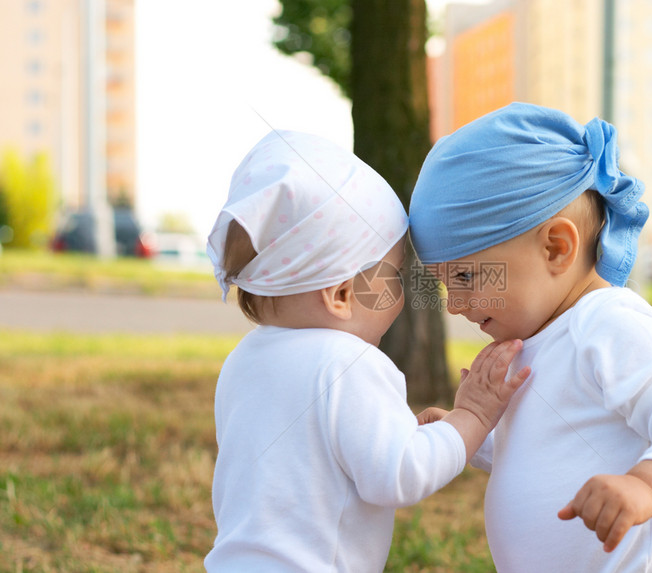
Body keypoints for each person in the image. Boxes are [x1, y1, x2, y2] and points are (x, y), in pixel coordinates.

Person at [409, 103, 652, 572]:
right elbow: (547, 443)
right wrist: (471, 430)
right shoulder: (533, 340)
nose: (454, 304)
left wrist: (647, 485)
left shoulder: (607, 323)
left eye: (465, 275)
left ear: (556, 248)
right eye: (443, 283)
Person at [203, 129, 530, 572]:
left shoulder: (243, 360)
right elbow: (400, 474)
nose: (400, 293)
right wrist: (472, 416)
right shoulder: (349, 363)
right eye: (394, 276)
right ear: (340, 295)